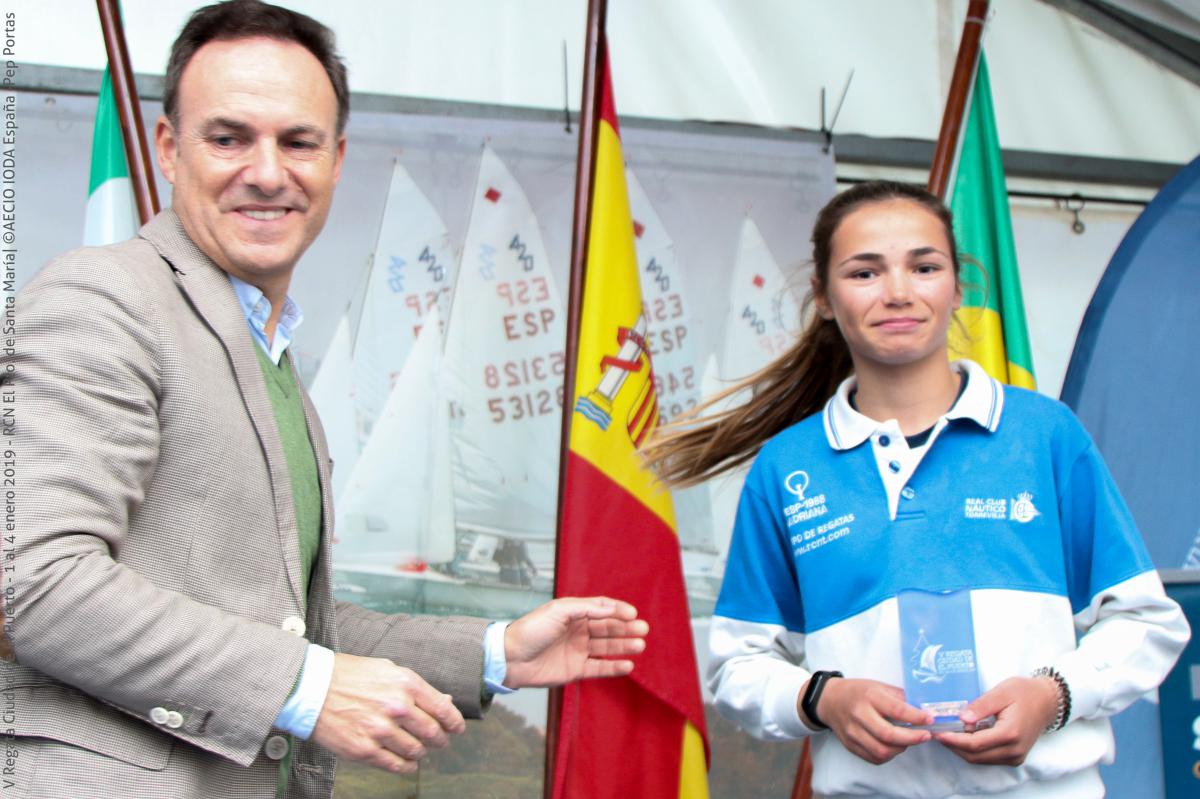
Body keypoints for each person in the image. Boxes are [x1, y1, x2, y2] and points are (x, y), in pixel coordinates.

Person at [1, 3, 647, 798]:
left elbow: (283, 622)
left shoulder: (267, 355)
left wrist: (494, 651)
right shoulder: (103, 299)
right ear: (169, 148)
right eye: (229, 137)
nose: (268, 172)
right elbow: (30, 582)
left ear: (336, 160)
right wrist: (305, 686)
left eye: (298, 142)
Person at [646, 180, 1190, 798]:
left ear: (958, 286)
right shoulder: (786, 468)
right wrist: (822, 698)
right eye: (864, 273)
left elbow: (1147, 622)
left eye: (924, 267)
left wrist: (1054, 695)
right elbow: (737, 668)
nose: (898, 292)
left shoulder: (1044, 435)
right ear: (823, 297)